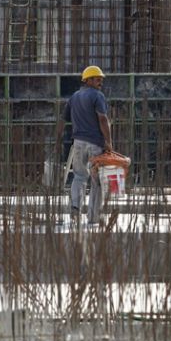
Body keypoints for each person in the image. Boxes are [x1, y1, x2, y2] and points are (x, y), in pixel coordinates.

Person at [56, 65, 113, 225]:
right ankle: (93, 217)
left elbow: (62, 119)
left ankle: (75, 208)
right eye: (96, 79)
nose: (100, 82)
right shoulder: (97, 96)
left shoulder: (74, 97)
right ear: (87, 80)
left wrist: (57, 140)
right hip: (95, 144)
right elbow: (103, 119)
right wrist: (108, 141)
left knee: (79, 177)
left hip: (78, 144)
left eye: (101, 80)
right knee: (97, 181)